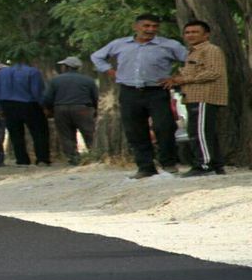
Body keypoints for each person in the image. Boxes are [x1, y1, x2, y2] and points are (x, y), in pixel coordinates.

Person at [90, 14, 188, 178]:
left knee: (165, 127)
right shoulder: (119, 44)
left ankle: (169, 163)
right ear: (136, 26)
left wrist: (177, 78)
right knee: (135, 130)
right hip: (129, 91)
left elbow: (191, 60)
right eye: (146, 26)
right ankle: (145, 167)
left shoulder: (169, 45)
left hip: (157, 91)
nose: (150, 30)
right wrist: (109, 70)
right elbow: (96, 56)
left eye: (154, 26)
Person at [162, 20, 228, 177]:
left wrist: (184, 80)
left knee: (199, 132)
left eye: (195, 32)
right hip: (193, 96)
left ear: (206, 34)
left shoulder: (210, 50)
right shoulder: (192, 52)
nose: (190, 35)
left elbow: (213, 72)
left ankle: (203, 166)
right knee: (205, 132)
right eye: (187, 32)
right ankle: (217, 164)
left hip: (205, 96)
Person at [42, 56, 98, 165]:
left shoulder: (55, 80)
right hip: (83, 109)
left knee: (66, 135)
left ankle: (73, 158)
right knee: (89, 133)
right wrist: (95, 110)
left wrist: (48, 109)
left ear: (66, 67)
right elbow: (95, 97)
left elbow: (47, 98)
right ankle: (93, 154)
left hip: (61, 109)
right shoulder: (88, 80)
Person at [0, 59, 50, 166]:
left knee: (16, 134)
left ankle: (22, 160)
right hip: (29, 104)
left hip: (7, 104)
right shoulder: (33, 72)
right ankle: (42, 159)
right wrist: (43, 106)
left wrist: (0, 108)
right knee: (39, 132)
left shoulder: (1, 73)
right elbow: (36, 91)